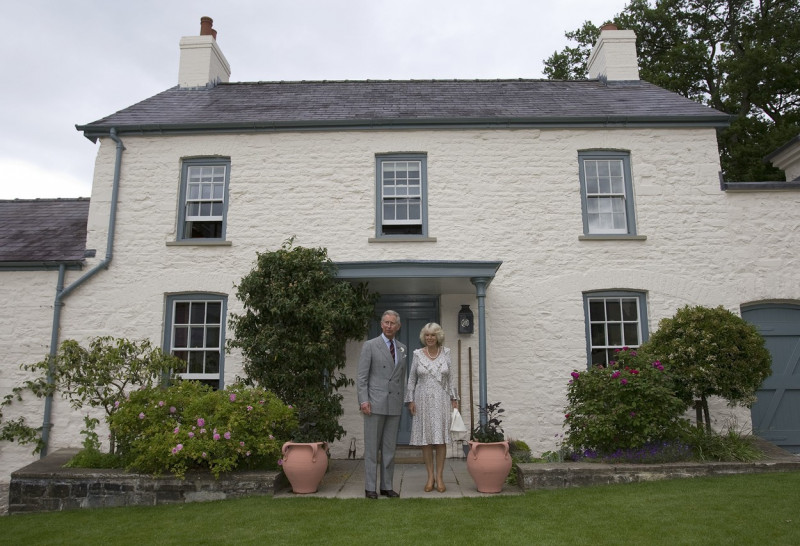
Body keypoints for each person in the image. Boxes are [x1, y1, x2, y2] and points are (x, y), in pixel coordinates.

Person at [357, 310, 407, 499]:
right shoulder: (370, 346)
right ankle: (370, 487)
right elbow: (362, 376)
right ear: (381, 324)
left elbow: (401, 377)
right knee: (371, 448)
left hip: (393, 404)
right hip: (374, 403)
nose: (389, 326)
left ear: (398, 326)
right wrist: (363, 400)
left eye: (392, 323)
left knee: (389, 448)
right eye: (386, 322)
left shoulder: (402, 348)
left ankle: (387, 486)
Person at [405, 322, 459, 492]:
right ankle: (430, 477)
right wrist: (410, 400)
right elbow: (411, 379)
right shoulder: (417, 354)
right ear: (424, 337)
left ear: (438, 336)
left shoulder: (447, 353)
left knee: (441, 440)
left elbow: (451, 378)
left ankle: (440, 477)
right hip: (422, 401)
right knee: (426, 440)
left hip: (442, 400)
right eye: (427, 335)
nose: (429, 338)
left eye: (433, 335)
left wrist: (454, 398)